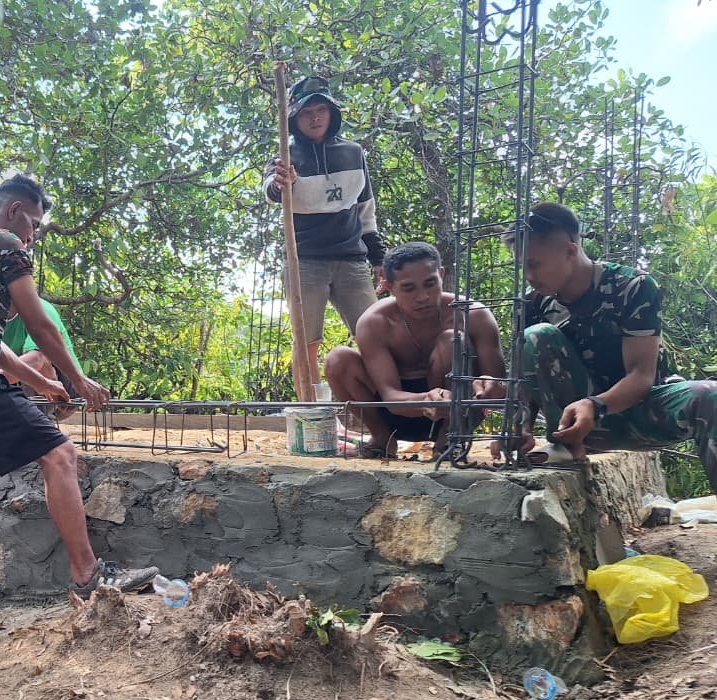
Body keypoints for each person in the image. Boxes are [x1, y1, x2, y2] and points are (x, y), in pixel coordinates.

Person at [0, 176, 158, 659]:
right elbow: (38, 322)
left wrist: (42, 382)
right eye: (34, 224)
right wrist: (78, 381)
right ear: (15, 211)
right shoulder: (4, 243)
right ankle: (88, 575)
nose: (33, 236)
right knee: (60, 453)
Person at [490, 202, 715, 490]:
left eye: (534, 264)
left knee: (710, 396)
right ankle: (567, 442)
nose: (528, 276)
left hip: (643, 410)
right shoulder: (532, 302)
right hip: (576, 426)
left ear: (570, 251)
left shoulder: (631, 286)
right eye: (522, 267)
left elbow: (641, 375)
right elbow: (527, 379)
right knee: (535, 335)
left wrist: (594, 405)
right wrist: (520, 427)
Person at [325, 242, 506, 457]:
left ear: (441, 275)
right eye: (409, 288)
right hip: (395, 413)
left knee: (452, 340)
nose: (423, 297)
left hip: (460, 410)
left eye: (430, 283)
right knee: (338, 359)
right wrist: (426, 400)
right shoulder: (375, 322)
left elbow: (499, 388)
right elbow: (390, 397)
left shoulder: (473, 315)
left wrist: (488, 387)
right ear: (390, 287)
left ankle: (450, 440)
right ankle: (382, 440)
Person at [263, 75, 387, 372]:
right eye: (306, 112)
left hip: (351, 258)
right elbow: (270, 190)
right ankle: (311, 402)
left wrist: (378, 258)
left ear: (332, 113)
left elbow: (365, 209)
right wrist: (283, 183)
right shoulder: (284, 156)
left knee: (375, 335)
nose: (315, 118)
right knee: (306, 341)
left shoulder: (353, 153)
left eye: (321, 110)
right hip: (304, 261)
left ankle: (382, 399)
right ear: (294, 117)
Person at [1, 297, 83, 418]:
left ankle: (41, 418)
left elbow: (37, 359)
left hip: (68, 387)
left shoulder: (40, 308)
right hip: (16, 382)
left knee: (34, 362)